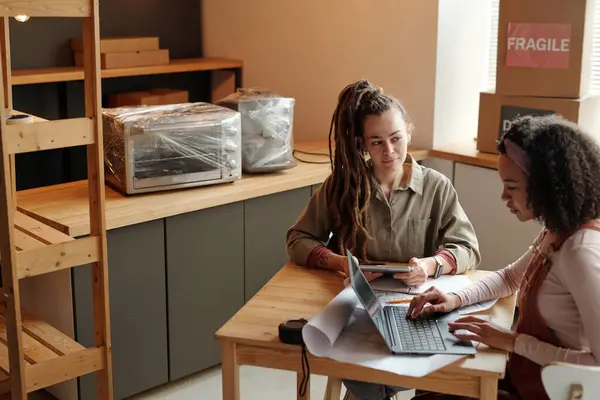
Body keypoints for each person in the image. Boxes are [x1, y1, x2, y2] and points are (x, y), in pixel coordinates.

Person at [286, 79, 481, 400]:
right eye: (376, 142)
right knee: (356, 364)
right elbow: (298, 239)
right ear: (362, 145)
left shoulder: (437, 186)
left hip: (416, 309)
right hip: (358, 309)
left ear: (409, 133)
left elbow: (468, 249)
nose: (389, 151)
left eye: (396, 139)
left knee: (385, 376)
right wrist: (341, 264)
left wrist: (431, 265)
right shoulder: (342, 186)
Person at [407, 115, 600, 400]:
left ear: (545, 185)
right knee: (433, 382)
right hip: (528, 378)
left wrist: (514, 342)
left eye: (511, 186)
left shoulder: (581, 252)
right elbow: (511, 277)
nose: (503, 196)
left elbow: (596, 365)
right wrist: (456, 299)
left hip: (550, 392)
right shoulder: (556, 231)